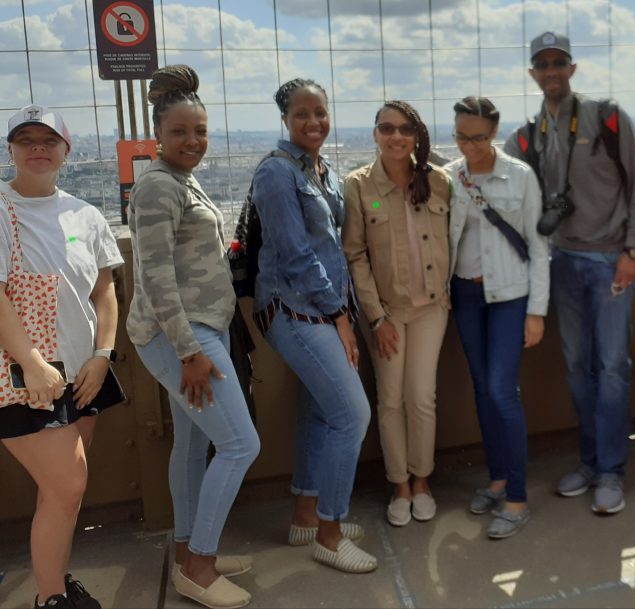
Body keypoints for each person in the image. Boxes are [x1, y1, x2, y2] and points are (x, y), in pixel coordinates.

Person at [503, 32, 635, 515]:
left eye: (559, 62)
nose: (551, 71)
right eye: (542, 64)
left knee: (612, 368)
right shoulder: (529, 135)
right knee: (578, 368)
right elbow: (489, 167)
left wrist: (633, 251)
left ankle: (611, 470)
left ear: (572, 68)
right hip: (561, 262)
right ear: (532, 73)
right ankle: (589, 462)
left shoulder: (607, 118)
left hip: (611, 260)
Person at [128, 65, 260, 608]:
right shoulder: (158, 185)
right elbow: (155, 275)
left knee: (193, 445)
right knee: (239, 444)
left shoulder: (181, 178)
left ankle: (188, 551)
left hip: (199, 327)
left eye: (200, 131)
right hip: (181, 335)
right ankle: (199, 568)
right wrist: (189, 352)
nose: (193, 141)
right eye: (181, 132)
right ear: (158, 134)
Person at [251, 78, 376, 573]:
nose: (314, 122)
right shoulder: (277, 173)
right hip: (294, 308)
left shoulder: (319, 168)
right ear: (285, 118)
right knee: (352, 414)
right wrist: (343, 319)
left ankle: (305, 515)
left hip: (318, 307)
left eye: (320, 112)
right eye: (302, 114)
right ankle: (330, 532)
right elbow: (296, 254)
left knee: (321, 410)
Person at [0, 105, 122, 609]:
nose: (37, 148)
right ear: (10, 150)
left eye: (48, 140)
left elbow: (105, 290)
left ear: (66, 152)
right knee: (68, 485)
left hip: (81, 374)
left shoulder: (84, 213)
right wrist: (29, 361)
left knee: (63, 495)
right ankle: (50, 598)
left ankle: (56, 581)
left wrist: (103, 354)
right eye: (25, 139)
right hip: (26, 377)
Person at [444, 96, 548, 538]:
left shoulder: (520, 176)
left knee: (503, 391)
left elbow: (539, 246)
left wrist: (537, 312)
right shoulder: (449, 177)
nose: (470, 146)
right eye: (462, 136)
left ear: (495, 132)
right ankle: (497, 478)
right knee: (484, 391)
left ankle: (518, 497)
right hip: (466, 293)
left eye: (479, 137)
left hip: (509, 296)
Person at [343, 100, 451, 527]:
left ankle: (422, 480)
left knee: (422, 397)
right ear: (375, 134)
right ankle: (399, 485)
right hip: (386, 313)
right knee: (390, 399)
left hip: (431, 309)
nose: (396, 136)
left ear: (417, 135)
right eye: (386, 128)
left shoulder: (439, 182)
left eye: (405, 129)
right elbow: (355, 254)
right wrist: (376, 318)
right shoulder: (359, 186)